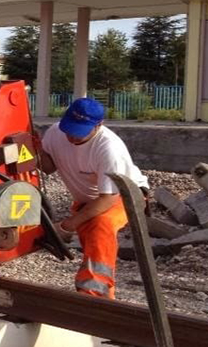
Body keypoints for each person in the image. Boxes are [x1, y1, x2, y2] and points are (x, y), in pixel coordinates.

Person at [37, 98, 149, 299]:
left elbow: (108, 199)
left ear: (99, 125)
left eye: (78, 133)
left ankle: (94, 295)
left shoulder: (109, 148)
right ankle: (105, 295)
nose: (71, 137)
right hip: (88, 199)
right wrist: (32, 147)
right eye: (69, 130)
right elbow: (48, 167)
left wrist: (66, 226)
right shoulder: (55, 133)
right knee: (93, 244)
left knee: (100, 226)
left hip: (125, 195)